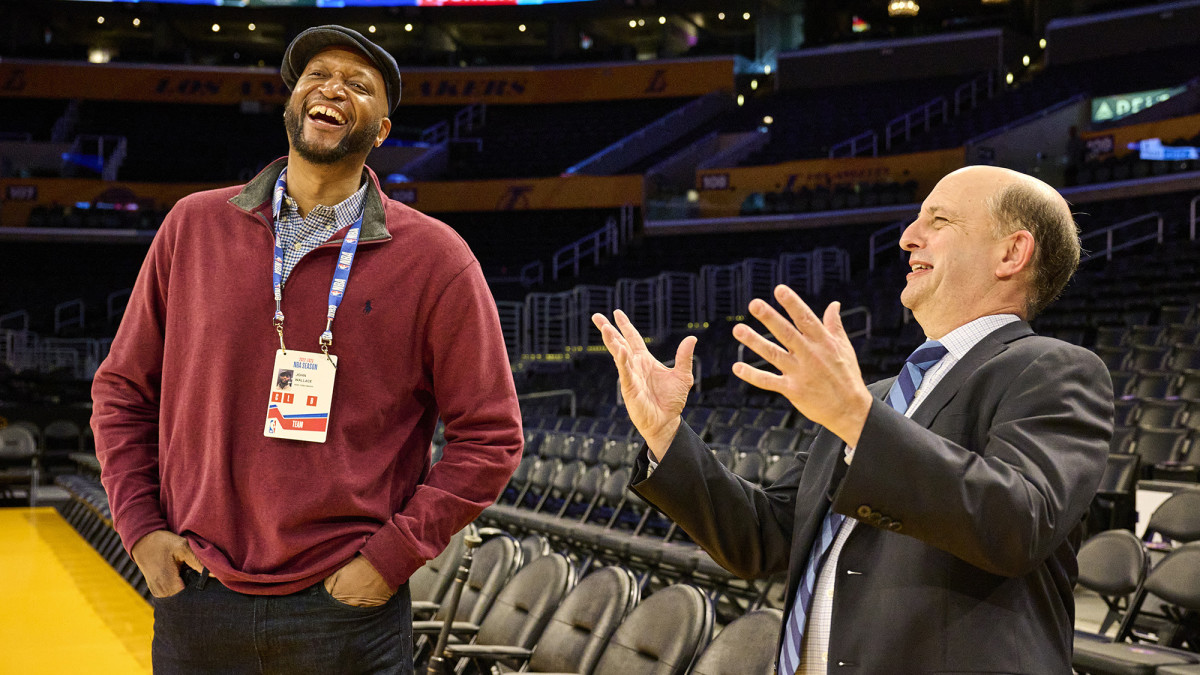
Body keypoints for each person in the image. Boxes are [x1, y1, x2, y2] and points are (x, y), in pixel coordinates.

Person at [91, 25, 522, 673]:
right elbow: (122, 390)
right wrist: (141, 528)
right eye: (318, 75)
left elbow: (490, 436)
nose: (333, 89)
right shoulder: (193, 226)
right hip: (198, 591)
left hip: (345, 605)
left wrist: (391, 557)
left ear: (381, 129)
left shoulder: (437, 259)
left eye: (358, 84)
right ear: (292, 104)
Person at [593, 165, 1112, 675]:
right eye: (916, 221)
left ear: (1011, 253)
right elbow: (763, 538)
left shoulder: (1053, 368)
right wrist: (665, 433)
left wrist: (857, 419)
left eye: (940, 221)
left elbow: (1017, 522)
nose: (908, 237)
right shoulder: (878, 398)